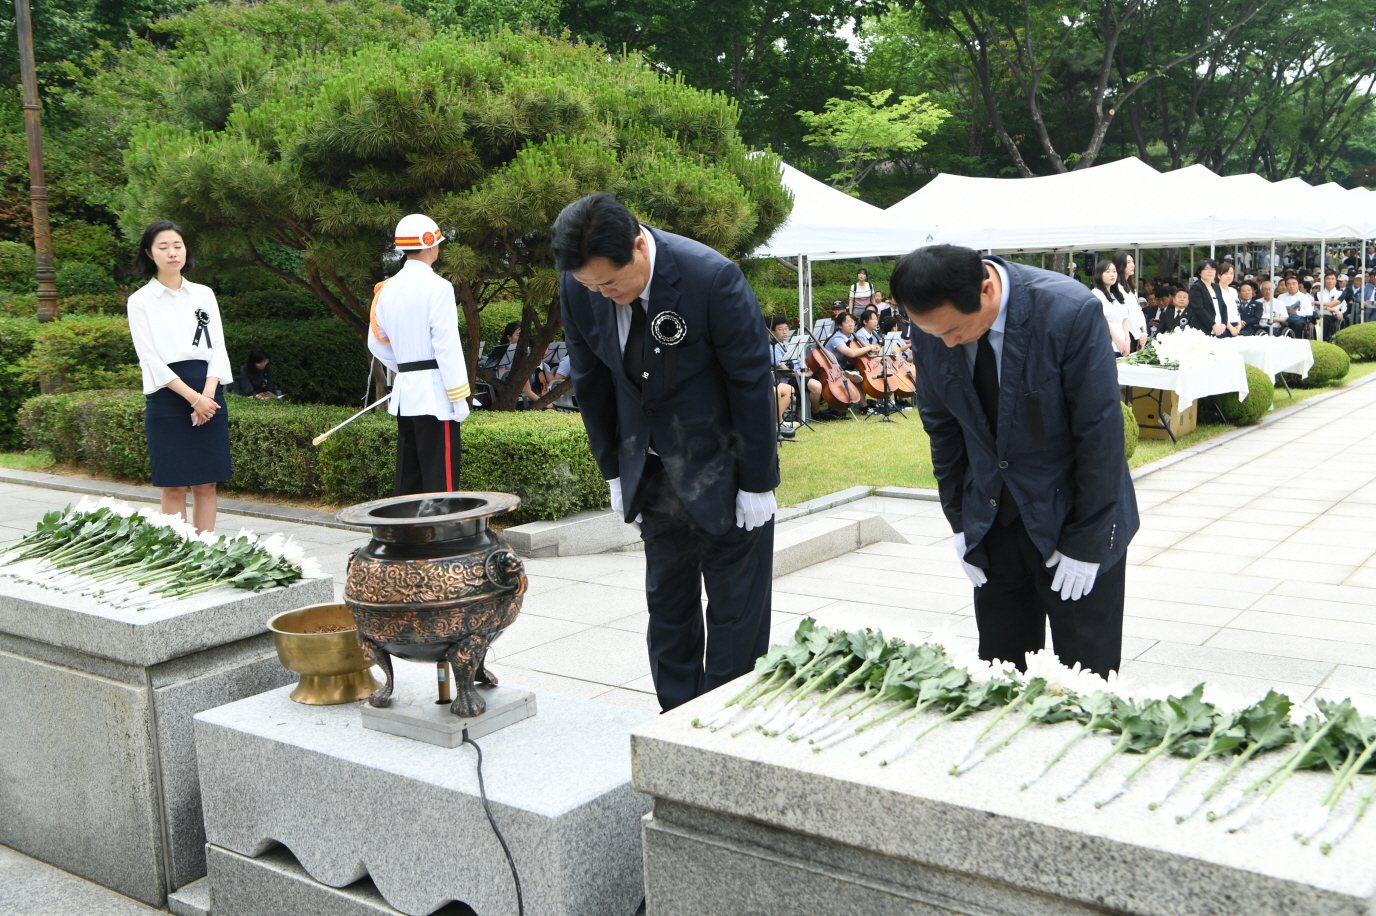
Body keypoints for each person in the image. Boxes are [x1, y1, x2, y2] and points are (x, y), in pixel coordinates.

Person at [553, 192, 778, 713]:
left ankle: (724, 726)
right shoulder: (579, 283)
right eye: (591, 285)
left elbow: (750, 382)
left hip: (724, 469)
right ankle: (675, 720)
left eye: (610, 282)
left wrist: (757, 483)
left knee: (735, 613)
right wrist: (613, 471)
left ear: (638, 245)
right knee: (668, 605)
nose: (603, 294)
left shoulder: (710, 277)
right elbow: (590, 380)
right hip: (651, 472)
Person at [890, 244, 1137, 676]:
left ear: (986, 289)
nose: (945, 342)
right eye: (934, 334)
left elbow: (1099, 435)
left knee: (1086, 681)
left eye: (954, 330)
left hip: (1073, 518)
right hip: (993, 523)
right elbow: (943, 431)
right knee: (1002, 675)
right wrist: (962, 525)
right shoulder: (932, 329)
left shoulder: (1067, 310)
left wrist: (1086, 540)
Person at [127, 219, 233, 533]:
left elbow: (219, 347)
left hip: (209, 392)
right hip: (167, 396)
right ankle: (178, 555)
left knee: (206, 483)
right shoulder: (140, 301)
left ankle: (206, 553)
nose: (173, 253)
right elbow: (150, 359)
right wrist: (193, 398)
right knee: (173, 484)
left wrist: (208, 396)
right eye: (163, 247)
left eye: (178, 245)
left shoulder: (204, 294)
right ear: (149, 253)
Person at [368, 213, 471, 495]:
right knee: (441, 482)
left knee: (408, 480)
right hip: (437, 395)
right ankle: (440, 538)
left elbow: (377, 343)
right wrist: (459, 395)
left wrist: (407, 368)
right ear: (430, 246)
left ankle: (407, 537)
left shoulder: (386, 289)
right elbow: (446, 346)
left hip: (405, 393)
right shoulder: (439, 287)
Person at [770, 316, 823, 419]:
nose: (785, 332)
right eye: (780, 329)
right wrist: (804, 374)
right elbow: (785, 371)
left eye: (786, 329)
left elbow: (799, 360)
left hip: (798, 374)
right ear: (773, 332)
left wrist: (806, 367)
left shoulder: (789, 344)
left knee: (823, 377)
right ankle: (815, 413)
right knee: (816, 386)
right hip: (789, 379)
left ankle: (830, 409)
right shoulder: (773, 348)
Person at [826, 311, 878, 389]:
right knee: (856, 376)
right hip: (832, 368)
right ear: (840, 325)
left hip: (843, 366)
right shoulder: (837, 338)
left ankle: (862, 401)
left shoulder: (852, 337)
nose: (851, 325)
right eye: (847, 322)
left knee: (861, 373)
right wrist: (870, 347)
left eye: (852, 322)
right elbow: (851, 353)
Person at [1091, 259, 1131, 357]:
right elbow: (1103, 321)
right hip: (1108, 345)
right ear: (1099, 274)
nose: (1112, 274)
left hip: (1123, 345)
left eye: (1114, 271)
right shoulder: (1096, 294)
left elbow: (1125, 319)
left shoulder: (1117, 295)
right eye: (1108, 272)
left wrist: (1128, 341)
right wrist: (1118, 342)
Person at [1185, 259, 1231, 337]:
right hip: (1203, 329)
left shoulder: (1216, 287)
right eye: (1206, 269)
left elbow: (1223, 306)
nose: (1210, 272)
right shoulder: (1196, 287)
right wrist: (1213, 325)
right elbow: (1199, 309)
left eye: (1213, 269)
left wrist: (1224, 323)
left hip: (1220, 329)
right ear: (1199, 272)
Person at [1112, 250, 1146, 350]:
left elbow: (1138, 311)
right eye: (1128, 262)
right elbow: (1127, 315)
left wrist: (1144, 331)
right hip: (1125, 335)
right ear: (1120, 265)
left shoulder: (1132, 288)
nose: (1132, 265)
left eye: (1132, 262)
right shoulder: (1116, 288)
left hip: (1137, 333)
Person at [1316, 271, 1348, 339]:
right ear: (1324, 281)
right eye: (1328, 279)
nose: (1330, 281)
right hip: (1322, 315)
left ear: (1336, 281)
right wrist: (1334, 310)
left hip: (1336, 316)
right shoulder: (1318, 294)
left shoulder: (1341, 293)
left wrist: (1333, 310)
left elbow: (1332, 304)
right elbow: (1320, 307)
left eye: (1333, 279)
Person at [1216, 262, 1243, 336]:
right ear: (1219, 276)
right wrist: (1231, 328)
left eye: (1231, 273)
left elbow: (1237, 309)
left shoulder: (1233, 291)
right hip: (1223, 326)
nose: (1229, 276)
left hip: (1236, 324)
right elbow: (1219, 312)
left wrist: (1239, 324)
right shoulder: (1216, 291)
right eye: (1226, 274)